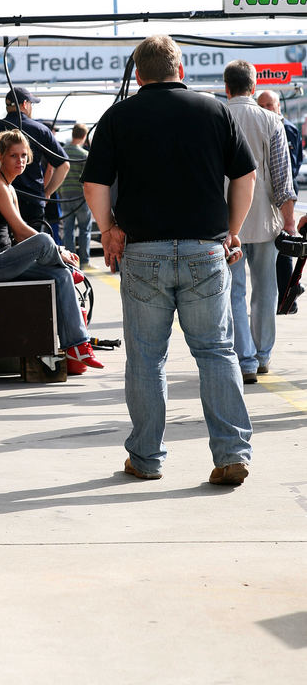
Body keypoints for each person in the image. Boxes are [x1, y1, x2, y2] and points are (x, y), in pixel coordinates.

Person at [83, 34, 256, 486]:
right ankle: (232, 453)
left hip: (144, 253)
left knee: (145, 359)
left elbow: (94, 184)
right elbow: (245, 174)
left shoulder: (118, 116)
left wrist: (109, 231)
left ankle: (146, 458)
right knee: (216, 352)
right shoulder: (214, 110)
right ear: (180, 70)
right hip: (205, 251)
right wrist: (232, 230)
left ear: (138, 75)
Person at [0, 129, 104, 375]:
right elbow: (21, 230)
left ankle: (77, 345)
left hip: (4, 263)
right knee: (43, 240)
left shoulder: (10, 188)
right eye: (13, 156)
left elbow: (17, 237)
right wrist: (58, 251)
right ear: (0, 156)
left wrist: (54, 254)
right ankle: (64, 265)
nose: (20, 161)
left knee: (60, 277)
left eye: (23, 156)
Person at [224, 62, 296, 383]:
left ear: (227, 88)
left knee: (234, 291)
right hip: (266, 221)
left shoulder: (217, 118)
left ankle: (246, 360)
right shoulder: (271, 120)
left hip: (228, 225)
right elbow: (282, 178)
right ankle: (264, 354)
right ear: (253, 88)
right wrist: (289, 222)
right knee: (266, 288)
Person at [257, 89, 303, 312]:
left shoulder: (289, 130)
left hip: (285, 196)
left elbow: (293, 165)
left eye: (269, 105)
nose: (265, 109)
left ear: (279, 107)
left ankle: (287, 298)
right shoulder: (257, 127)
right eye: (261, 106)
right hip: (263, 198)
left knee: (285, 248)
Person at [0, 87, 70, 230]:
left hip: (1, 198)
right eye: (32, 104)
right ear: (25, 104)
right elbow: (64, 165)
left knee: (5, 249)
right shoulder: (40, 129)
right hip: (33, 201)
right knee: (32, 248)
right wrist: (47, 193)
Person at [59, 123, 92, 268]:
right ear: (84, 136)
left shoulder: (61, 151)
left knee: (67, 229)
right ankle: (84, 261)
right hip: (80, 197)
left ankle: (71, 262)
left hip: (65, 195)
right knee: (84, 229)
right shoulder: (84, 155)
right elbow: (88, 180)